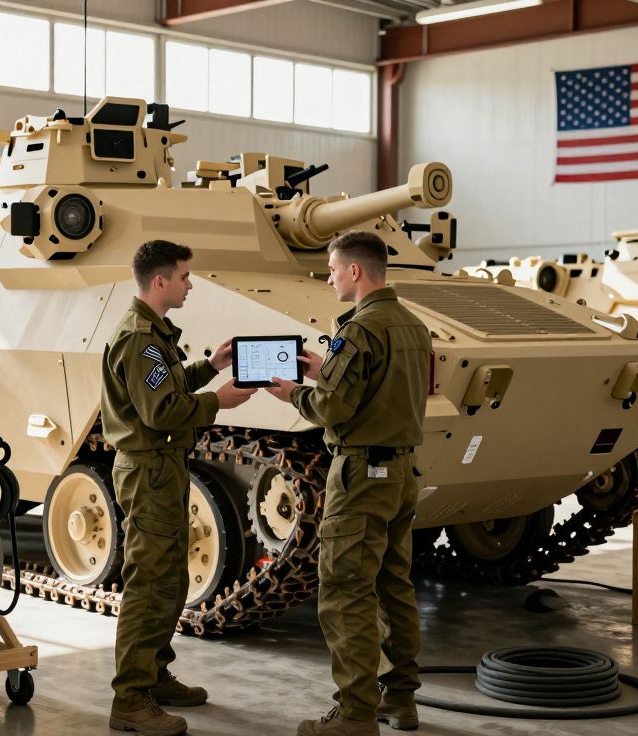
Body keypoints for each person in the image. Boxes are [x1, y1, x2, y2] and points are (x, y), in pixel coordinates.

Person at [265, 231, 430, 736]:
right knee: (392, 585)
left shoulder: (359, 331)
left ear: (356, 271)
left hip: (361, 477)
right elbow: (385, 389)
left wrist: (297, 393)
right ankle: (400, 700)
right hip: (402, 473)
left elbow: (333, 407)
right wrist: (327, 371)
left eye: (333, 269)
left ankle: (357, 714)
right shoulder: (413, 325)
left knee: (344, 590)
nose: (330, 276)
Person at [102, 239, 256, 736]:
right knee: (149, 584)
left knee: (169, 578)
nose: (191, 285)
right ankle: (130, 698)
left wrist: (211, 366)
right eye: (185, 277)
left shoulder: (153, 335)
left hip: (161, 467)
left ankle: (153, 674)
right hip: (149, 469)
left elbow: (165, 387)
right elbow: (160, 411)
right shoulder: (139, 338)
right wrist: (217, 402)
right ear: (160, 281)